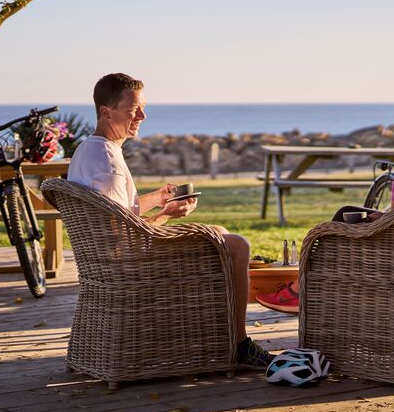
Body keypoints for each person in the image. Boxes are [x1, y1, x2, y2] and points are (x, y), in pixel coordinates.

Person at [67, 73, 274, 368]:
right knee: (237, 246)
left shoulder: (91, 149)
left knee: (218, 232)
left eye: (143, 107)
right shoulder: (109, 162)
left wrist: (158, 199)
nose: (143, 115)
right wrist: (167, 215)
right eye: (134, 109)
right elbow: (122, 235)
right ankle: (240, 344)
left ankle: (221, 335)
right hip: (127, 265)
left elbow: (117, 211)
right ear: (106, 111)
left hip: (105, 261)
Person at [255, 75, 394, 314]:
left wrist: (381, 218)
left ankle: (299, 293)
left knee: (339, 222)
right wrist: (382, 215)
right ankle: (299, 290)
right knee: (349, 214)